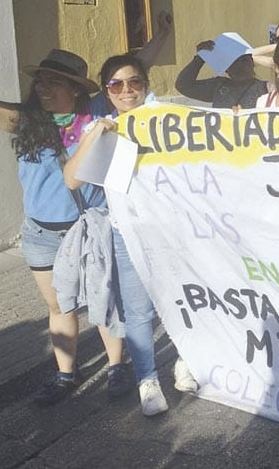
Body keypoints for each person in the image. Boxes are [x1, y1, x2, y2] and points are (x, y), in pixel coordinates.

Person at [63, 54, 199, 416]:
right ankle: (147, 380)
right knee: (137, 311)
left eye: (134, 82)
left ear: (146, 85)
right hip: (126, 233)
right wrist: (94, 134)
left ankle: (186, 360)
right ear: (106, 91)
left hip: (169, 230)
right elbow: (72, 180)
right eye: (116, 84)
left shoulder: (167, 120)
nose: (127, 90)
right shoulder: (103, 130)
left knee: (180, 299)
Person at [0, 50, 133, 405]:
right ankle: (65, 374)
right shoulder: (26, 121)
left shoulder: (97, 114)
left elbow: (133, 68)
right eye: (40, 81)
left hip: (87, 228)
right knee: (59, 306)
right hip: (40, 234)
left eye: (54, 82)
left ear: (75, 89)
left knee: (104, 298)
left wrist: (161, 36)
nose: (43, 88)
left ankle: (117, 366)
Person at [175, 36, 267, 109]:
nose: (240, 67)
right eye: (233, 62)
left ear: (252, 63)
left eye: (244, 60)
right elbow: (183, 86)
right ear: (226, 69)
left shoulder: (266, 89)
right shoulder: (218, 86)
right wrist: (200, 58)